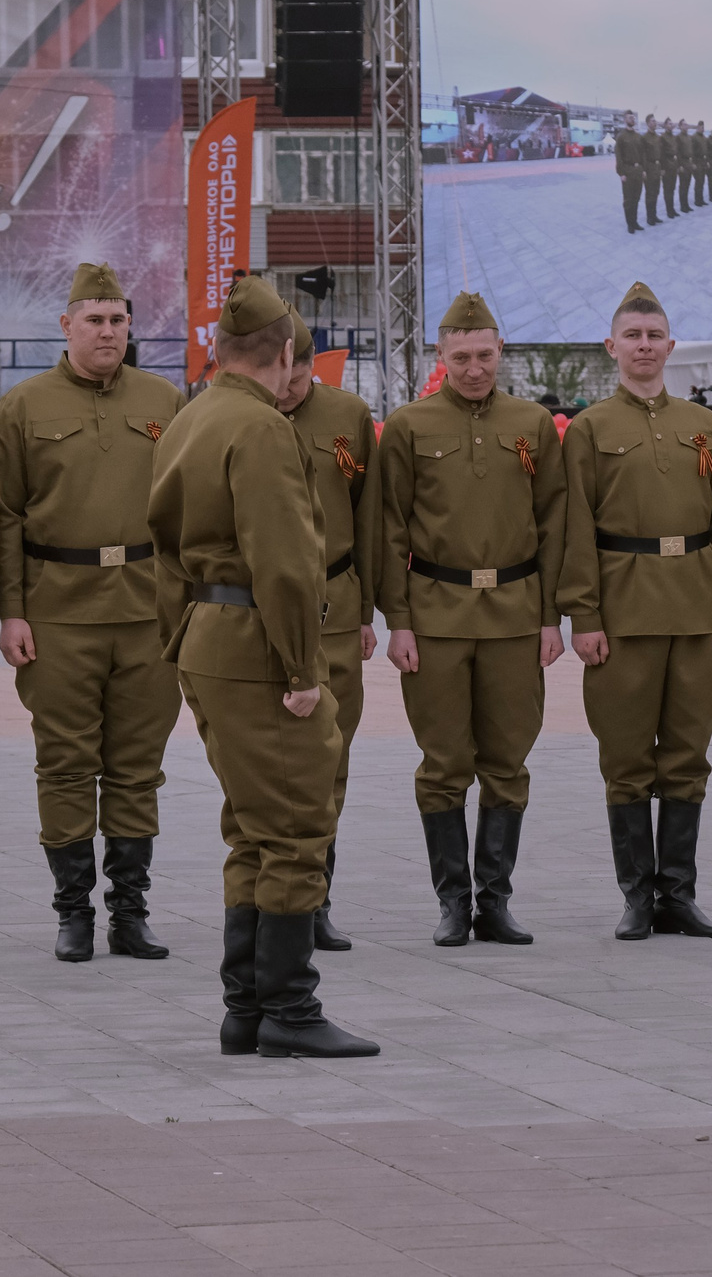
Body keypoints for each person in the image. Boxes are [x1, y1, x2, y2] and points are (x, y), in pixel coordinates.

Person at [146, 274, 376, 1059]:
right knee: (297, 826)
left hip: (210, 638)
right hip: (257, 644)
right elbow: (285, 563)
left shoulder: (189, 418)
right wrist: (301, 668)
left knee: (250, 828)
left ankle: (245, 1007)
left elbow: (165, 548)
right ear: (285, 354)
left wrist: (183, 632)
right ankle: (288, 1007)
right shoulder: (266, 427)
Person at [0, 263, 182, 963]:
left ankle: (129, 911)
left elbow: (190, 513)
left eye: (118, 319)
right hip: (58, 609)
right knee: (66, 763)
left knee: (137, 765)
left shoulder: (165, 398)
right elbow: (3, 517)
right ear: (65, 325)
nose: (107, 331)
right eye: (94, 319)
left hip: (146, 610)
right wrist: (10, 611)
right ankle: (74, 912)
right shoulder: (23, 407)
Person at [378, 291, 567, 948]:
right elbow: (389, 527)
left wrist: (551, 618)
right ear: (441, 354)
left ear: (500, 350)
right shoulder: (409, 425)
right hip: (434, 616)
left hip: (515, 614)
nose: (475, 367)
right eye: (461, 356)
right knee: (443, 761)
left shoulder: (533, 423)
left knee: (508, 759)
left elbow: (553, 523)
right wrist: (397, 620)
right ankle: (453, 900)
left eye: (485, 354)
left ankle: (496, 899)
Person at [559, 283, 712, 942]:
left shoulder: (705, 427)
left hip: (696, 607)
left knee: (688, 757)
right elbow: (575, 527)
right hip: (623, 609)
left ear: (670, 344)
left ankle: (679, 894)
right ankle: (637, 895)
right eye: (632, 336)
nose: (644, 346)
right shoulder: (589, 429)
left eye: (654, 335)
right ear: (612, 346)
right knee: (628, 757)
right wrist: (583, 616)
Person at [278, 310, 379, 951]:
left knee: (330, 757)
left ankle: (316, 901)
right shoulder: (232, 414)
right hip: (259, 613)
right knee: (267, 762)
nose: (285, 382)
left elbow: (368, 516)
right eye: (276, 367)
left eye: (298, 369)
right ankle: (273, 897)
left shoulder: (348, 416)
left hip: (336, 606)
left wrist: (367, 611)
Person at [613, 114, 643, 235]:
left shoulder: (638, 136)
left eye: (633, 118)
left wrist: (643, 169)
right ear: (625, 120)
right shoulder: (621, 136)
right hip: (627, 171)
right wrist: (621, 173)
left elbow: (643, 154)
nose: (632, 119)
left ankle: (635, 222)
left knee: (636, 198)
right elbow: (618, 156)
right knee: (628, 199)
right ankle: (629, 224)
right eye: (630, 117)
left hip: (638, 170)